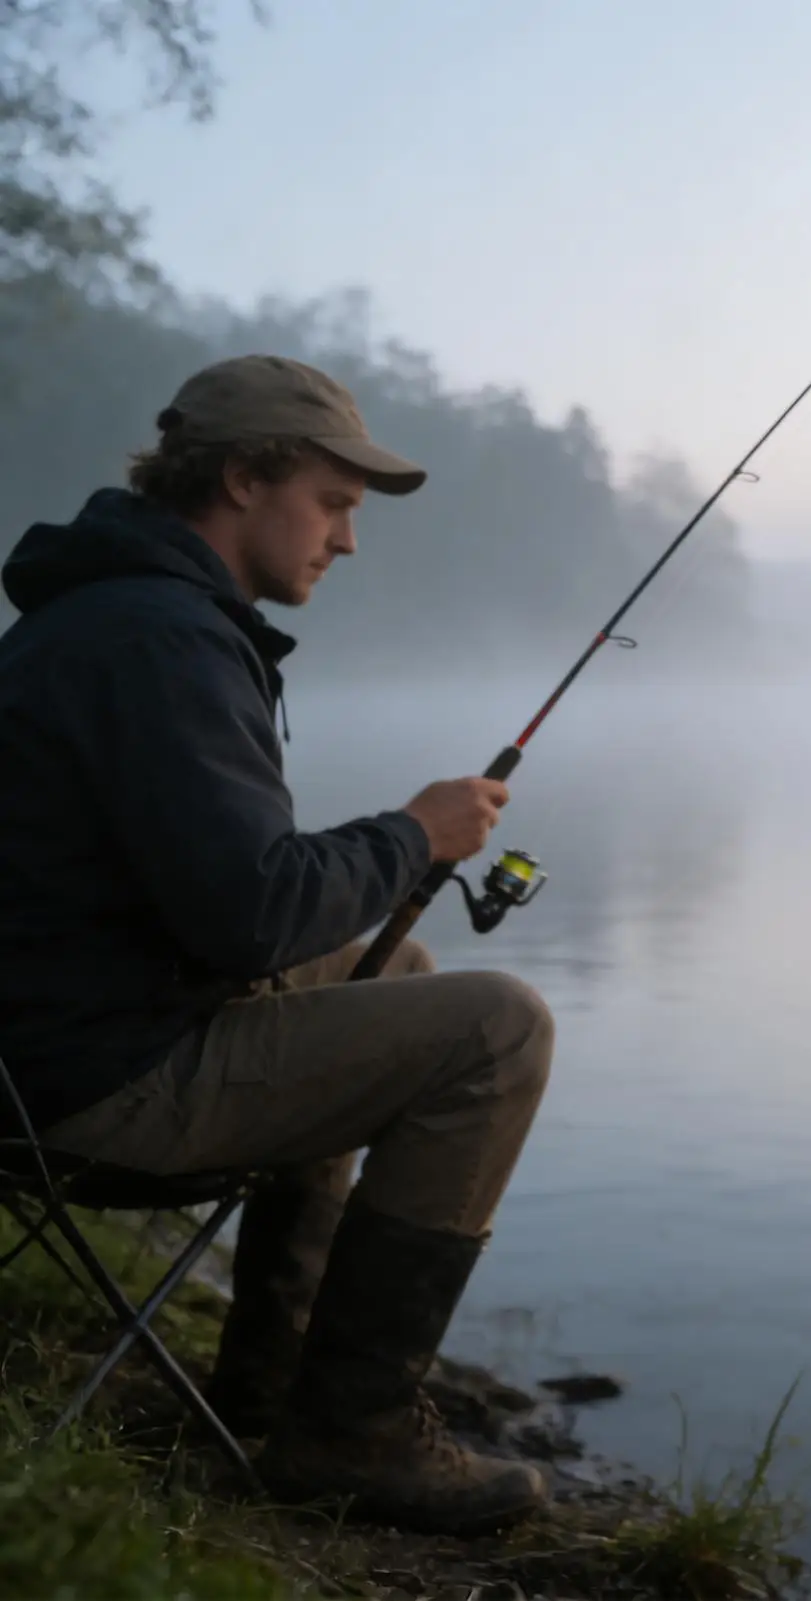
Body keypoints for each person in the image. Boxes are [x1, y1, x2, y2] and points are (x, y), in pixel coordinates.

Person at [0, 354, 557, 1537]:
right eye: (336, 502)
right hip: (90, 1079)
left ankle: (272, 1377)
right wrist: (414, 833)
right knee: (497, 1027)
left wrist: (391, 848)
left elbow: (219, 894)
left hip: (46, 1032)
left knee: (395, 976)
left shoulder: (112, 614)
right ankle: (350, 1430)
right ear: (247, 477)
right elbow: (250, 912)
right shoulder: (161, 641)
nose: (347, 542)